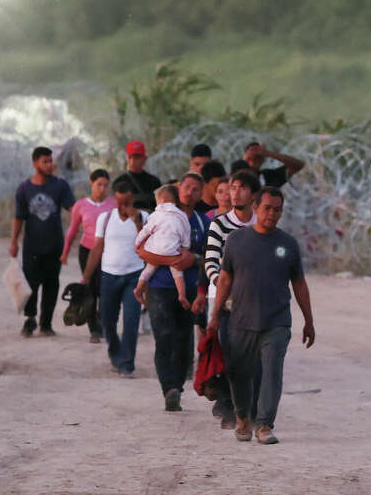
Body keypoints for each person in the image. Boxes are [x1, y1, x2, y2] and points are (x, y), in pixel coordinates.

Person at [207, 187, 315, 445]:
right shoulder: (236, 241)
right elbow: (224, 279)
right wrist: (214, 315)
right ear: (255, 208)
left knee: (271, 373)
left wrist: (309, 321)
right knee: (238, 373)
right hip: (240, 321)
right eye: (267, 208)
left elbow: (299, 284)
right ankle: (243, 417)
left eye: (277, 209)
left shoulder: (287, 244)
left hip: (276, 322)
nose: (272, 214)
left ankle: (265, 424)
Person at [134, 173, 209, 412]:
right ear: (178, 189)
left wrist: (193, 259)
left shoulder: (202, 222)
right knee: (164, 337)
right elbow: (142, 250)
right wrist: (171, 258)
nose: (190, 192)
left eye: (196, 189)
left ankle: (177, 385)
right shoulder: (160, 217)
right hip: (159, 286)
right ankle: (169, 389)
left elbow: (210, 257)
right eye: (186, 187)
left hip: (190, 287)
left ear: (201, 194)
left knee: (184, 340)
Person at [202, 169, 260, 427]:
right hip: (223, 299)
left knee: (254, 356)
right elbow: (211, 262)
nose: (235, 192)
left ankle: (249, 408)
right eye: (232, 187)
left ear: (253, 194)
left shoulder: (261, 224)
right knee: (227, 352)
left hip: (256, 301)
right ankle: (228, 405)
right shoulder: (219, 224)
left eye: (241, 187)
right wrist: (224, 285)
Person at [81, 180, 146, 376]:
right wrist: (86, 278)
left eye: (126, 202)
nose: (122, 207)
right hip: (109, 276)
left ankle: (126, 363)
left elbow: (147, 243)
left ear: (133, 199)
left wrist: (136, 221)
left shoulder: (145, 217)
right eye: (118, 202)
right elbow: (97, 248)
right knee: (108, 321)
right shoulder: (105, 218)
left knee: (131, 321)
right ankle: (115, 352)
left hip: (134, 276)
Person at [9, 146, 75, 337]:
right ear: (35, 163)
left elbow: (73, 208)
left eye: (50, 161)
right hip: (32, 245)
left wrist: (86, 220)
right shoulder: (24, 188)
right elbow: (18, 218)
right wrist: (13, 242)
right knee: (31, 284)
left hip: (54, 244)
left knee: (52, 284)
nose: (49, 165)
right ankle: (30, 320)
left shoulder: (60, 186)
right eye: (45, 161)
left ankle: (46, 324)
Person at [60, 168, 114, 342]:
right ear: (92, 183)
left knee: (106, 289)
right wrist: (65, 252)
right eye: (99, 184)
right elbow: (73, 230)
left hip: (109, 251)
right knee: (89, 288)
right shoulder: (81, 205)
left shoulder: (113, 204)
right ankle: (94, 330)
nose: (102, 189)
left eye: (106, 185)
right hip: (87, 250)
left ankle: (105, 323)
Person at [134, 185, 192, 309]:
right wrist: (185, 247)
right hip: (172, 252)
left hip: (154, 251)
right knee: (178, 272)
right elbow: (186, 232)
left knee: (148, 270)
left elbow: (145, 231)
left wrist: (137, 244)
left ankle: (138, 289)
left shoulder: (156, 215)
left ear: (162, 200)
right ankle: (182, 294)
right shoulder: (182, 216)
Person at [112, 140, 161, 212]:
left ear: (144, 158)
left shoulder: (154, 181)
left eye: (136, 157)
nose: (132, 161)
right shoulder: (119, 182)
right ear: (127, 159)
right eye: (130, 157)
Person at [240, 141, 304, 188]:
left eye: (257, 157)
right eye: (249, 159)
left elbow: (297, 165)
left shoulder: (268, 176)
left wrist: (269, 154)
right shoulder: (235, 178)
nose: (253, 161)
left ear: (263, 160)